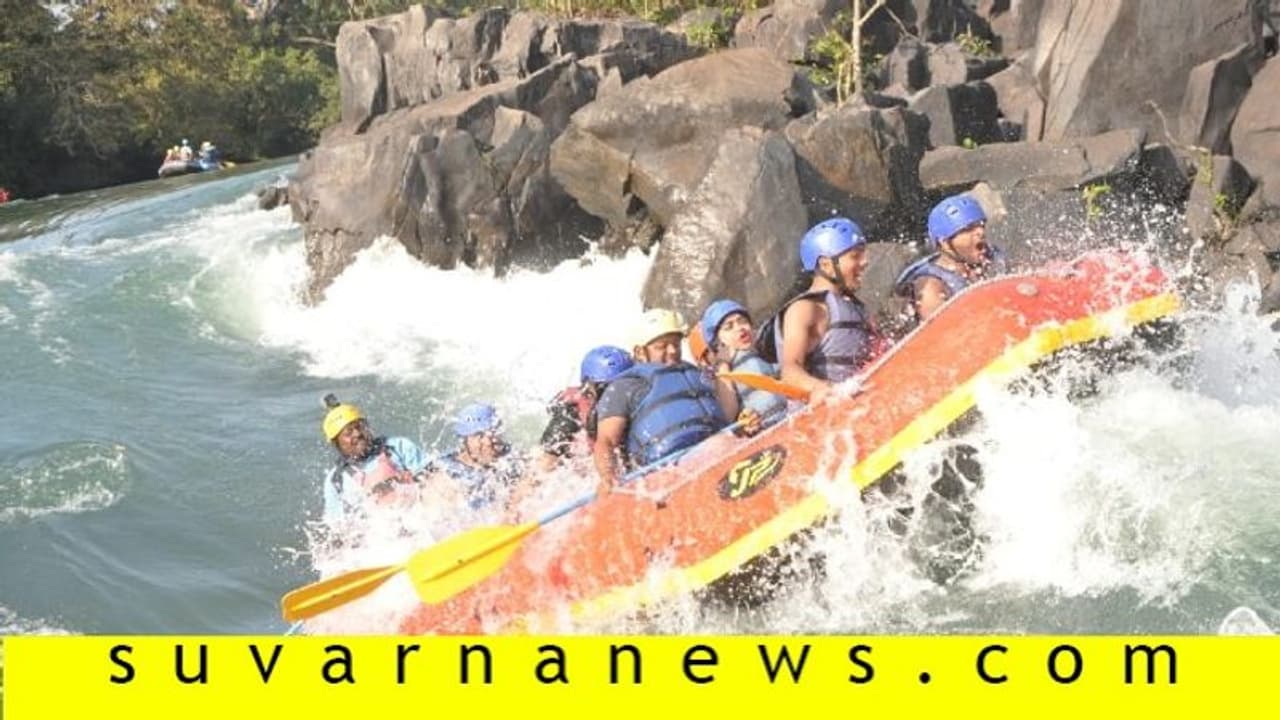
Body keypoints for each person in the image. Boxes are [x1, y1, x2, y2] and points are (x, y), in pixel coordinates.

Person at [594, 309, 730, 496]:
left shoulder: (696, 375)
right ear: (640, 352)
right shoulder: (625, 387)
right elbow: (606, 440)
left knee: (722, 443)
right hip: (665, 473)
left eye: (676, 344)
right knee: (719, 445)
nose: (673, 351)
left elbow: (724, 416)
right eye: (662, 346)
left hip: (715, 451)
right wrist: (608, 476)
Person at [770, 218, 883, 402]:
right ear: (826, 265)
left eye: (863, 254)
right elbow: (790, 371)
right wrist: (822, 388)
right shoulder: (806, 309)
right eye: (855, 256)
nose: (865, 262)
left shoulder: (855, 306)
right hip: (828, 416)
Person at [894, 193, 1006, 324]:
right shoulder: (931, 287)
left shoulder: (990, 259)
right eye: (968, 229)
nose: (980, 232)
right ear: (945, 243)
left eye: (980, 225)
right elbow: (944, 337)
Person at [320, 395, 432, 525]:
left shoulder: (399, 447)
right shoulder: (336, 481)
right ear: (336, 443)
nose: (357, 433)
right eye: (348, 433)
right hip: (382, 536)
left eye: (360, 427)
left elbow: (436, 479)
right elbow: (338, 526)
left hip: (421, 519)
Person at [537, 345, 635, 472]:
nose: (619, 397)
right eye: (607, 390)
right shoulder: (569, 417)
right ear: (588, 391)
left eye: (628, 388)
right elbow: (537, 473)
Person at [700, 298, 788, 431]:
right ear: (718, 342)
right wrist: (723, 364)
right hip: (763, 431)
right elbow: (728, 415)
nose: (740, 328)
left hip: (792, 418)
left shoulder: (770, 348)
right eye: (729, 327)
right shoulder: (719, 373)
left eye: (742, 321)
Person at [428, 402, 526, 516]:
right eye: (479, 436)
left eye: (493, 433)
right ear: (464, 440)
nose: (488, 442)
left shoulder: (513, 459)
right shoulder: (446, 475)